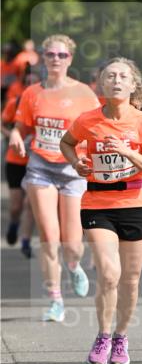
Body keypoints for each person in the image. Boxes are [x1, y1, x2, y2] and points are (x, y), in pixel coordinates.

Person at [60, 57, 142, 364]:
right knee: (108, 274)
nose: (116, 81)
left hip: (135, 203)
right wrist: (76, 163)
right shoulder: (87, 120)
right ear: (101, 84)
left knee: (130, 280)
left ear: (133, 86)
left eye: (123, 77)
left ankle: (121, 336)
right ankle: (103, 336)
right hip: (97, 203)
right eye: (110, 76)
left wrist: (127, 151)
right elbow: (67, 143)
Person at [9, 34, 99, 321]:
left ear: (70, 58)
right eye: (50, 54)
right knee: (49, 237)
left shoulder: (84, 93)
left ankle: (73, 266)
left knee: (72, 243)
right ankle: (55, 300)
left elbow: (97, 130)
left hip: (73, 169)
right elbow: (21, 126)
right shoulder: (32, 93)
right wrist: (15, 136)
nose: (56, 59)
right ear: (43, 58)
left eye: (62, 55)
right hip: (41, 167)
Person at [1, 72, 36, 256]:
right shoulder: (14, 103)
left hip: (36, 163)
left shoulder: (46, 105)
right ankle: (14, 224)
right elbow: (2, 124)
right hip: (15, 161)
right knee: (16, 207)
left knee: (30, 203)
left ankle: (26, 241)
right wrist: (13, 136)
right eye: (28, 83)